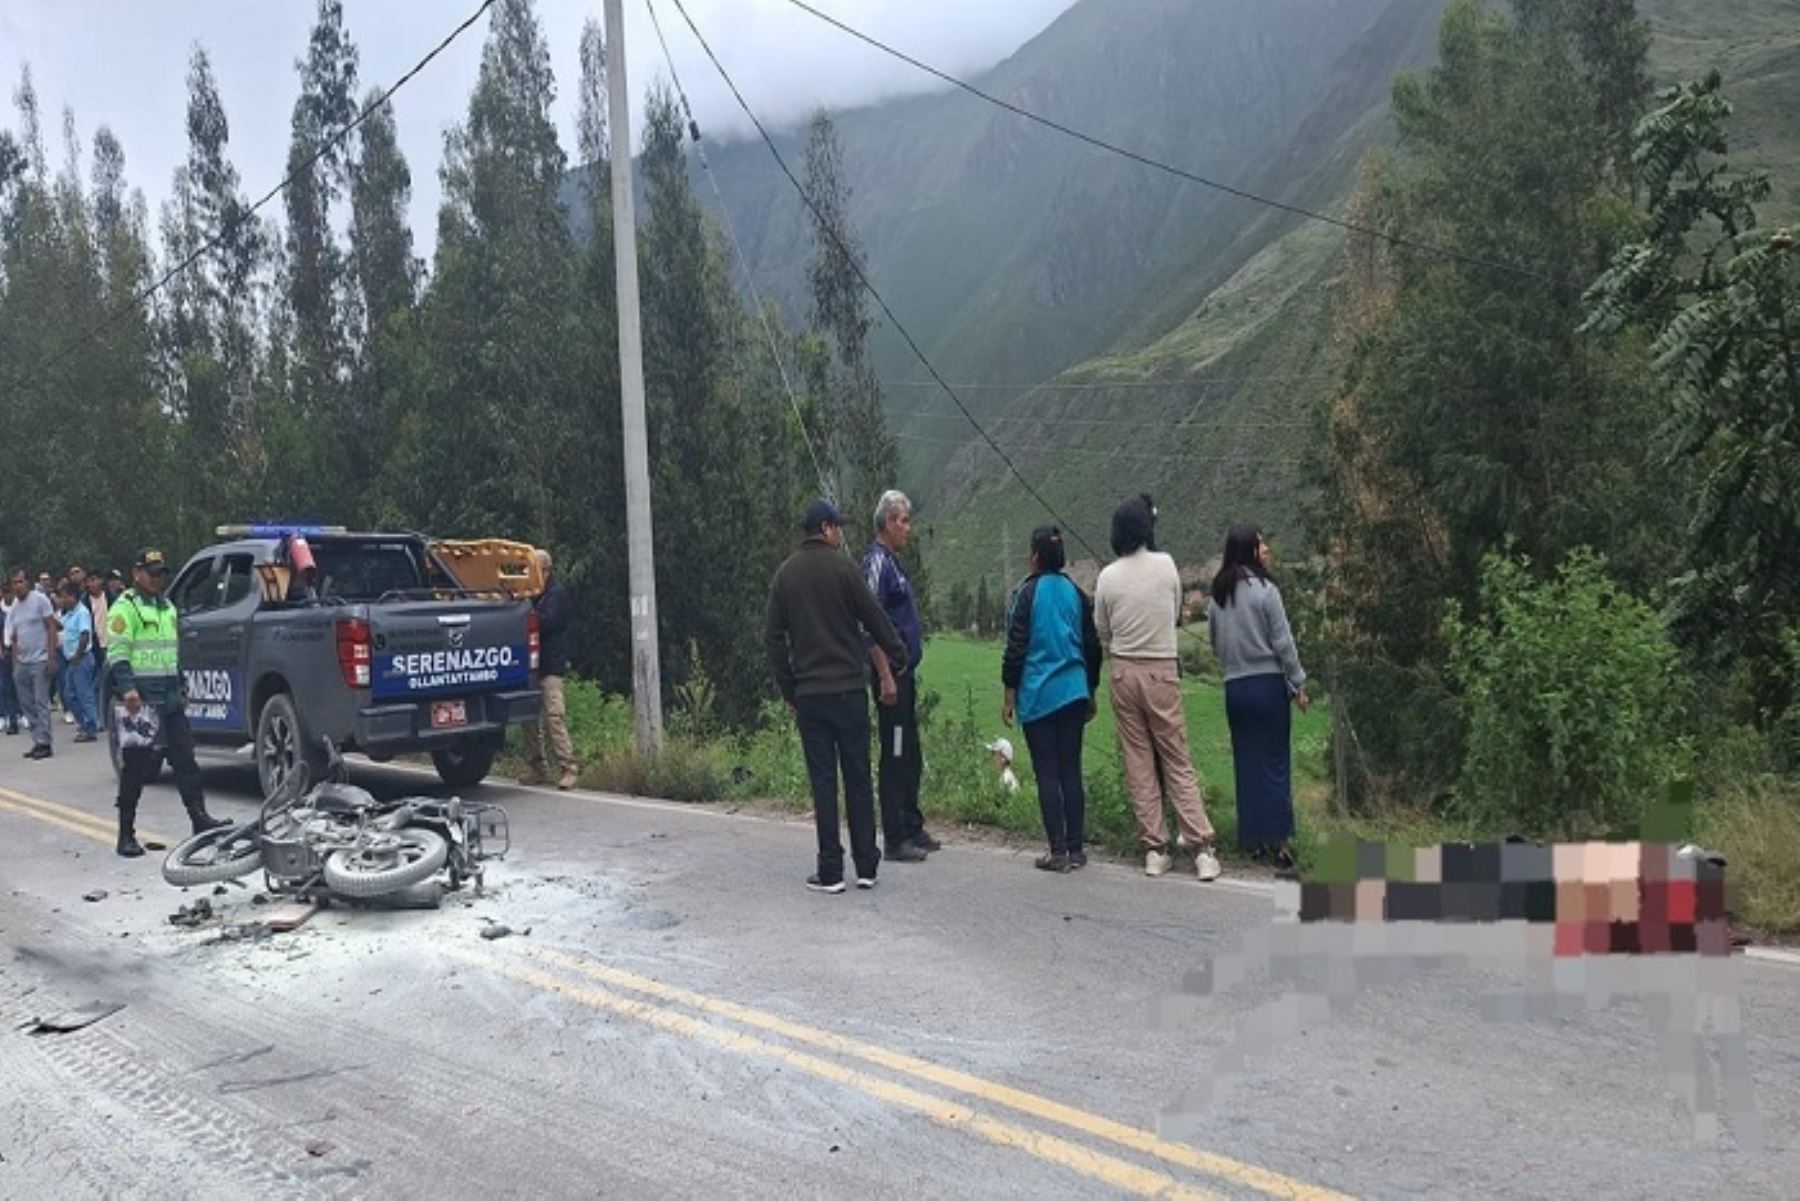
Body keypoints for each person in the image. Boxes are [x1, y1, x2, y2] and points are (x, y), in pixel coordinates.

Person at [766, 499, 907, 894]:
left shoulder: (785, 576)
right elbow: (874, 617)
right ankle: (866, 866)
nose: (841, 534)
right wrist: (898, 657)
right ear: (825, 528)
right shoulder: (844, 569)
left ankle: (830, 871)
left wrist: (789, 688)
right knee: (859, 779)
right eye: (838, 527)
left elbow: (772, 639)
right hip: (848, 692)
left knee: (823, 782)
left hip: (810, 696)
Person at [1095, 495, 1222, 882]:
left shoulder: (1107, 577)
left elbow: (1102, 630)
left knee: (1139, 762)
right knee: (1176, 758)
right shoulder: (1166, 566)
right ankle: (1201, 848)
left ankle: (1155, 849)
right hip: (1161, 671)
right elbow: (1176, 608)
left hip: (1122, 672)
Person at [107, 548, 228, 857]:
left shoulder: (167, 608)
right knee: (135, 768)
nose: (157, 578)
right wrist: (128, 688)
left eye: (161, 573)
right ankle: (125, 833)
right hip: (141, 700)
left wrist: (182, 687)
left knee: (186, 761)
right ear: (137, 573)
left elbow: (173, 654)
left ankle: (199, 819)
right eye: (152, 572)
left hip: (170, 698)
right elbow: (118, 652)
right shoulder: (125, 608)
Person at [1208, 523, 1309, 872]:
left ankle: (1253, 839)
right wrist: (1297, 683)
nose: (1265, 549)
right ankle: (1280, 844)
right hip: (1267, 686)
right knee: (1275, 764)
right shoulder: (1266, 590)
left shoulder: (1218, 597)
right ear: (1249, 551)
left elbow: (1215, 645)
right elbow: (1283, 643)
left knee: (1247, 764)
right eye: (1261, 544)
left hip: (1236, 689)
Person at [1001, 527, 1102, 873]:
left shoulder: (1026, 594)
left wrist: (1009, 692)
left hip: (1040, 694)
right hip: (1074, 691)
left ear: (1034, 556)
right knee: (1070, 769)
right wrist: (1091, 689)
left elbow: (1016, 646)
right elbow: (1092, 647)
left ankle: (1056, 852)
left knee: (1047, 772)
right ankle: (1076, 849)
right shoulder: (1076, 592)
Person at [861, 489, 936, 863]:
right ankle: (894, 837)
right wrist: (885, 674)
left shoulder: (894, 562)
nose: (908, 529)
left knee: (910, 751)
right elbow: (867, 621)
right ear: (888, 522)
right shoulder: (876, 563)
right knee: (894, 754)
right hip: (890, 678)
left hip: (905, 675)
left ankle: (911, 824)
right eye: (904, 521)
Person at [520, 547, 578, 790]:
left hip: (551, 666)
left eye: (535, 571)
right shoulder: (532, 595)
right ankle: (538, 767)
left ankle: (569, 767)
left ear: (545, 570)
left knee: (554, 717)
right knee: (529, 721)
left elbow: (546, 623)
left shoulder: (556, 595)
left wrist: (525, 612)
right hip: (532, 666)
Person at [6, 567, 58, 758]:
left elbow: (51, 626)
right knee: (26, 703)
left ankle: (46, 742)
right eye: (14, 583)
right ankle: (37, 739)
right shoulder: (14, 608)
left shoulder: (39, 600)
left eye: (21, 581)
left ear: (27, 582)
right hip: (22, 662)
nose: (18, 586)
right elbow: (14, 636)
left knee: (40, 701)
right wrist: (15, 664)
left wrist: (51, 657)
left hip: (40, 659)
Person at [54, 582, 99, 742]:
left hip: (82, 658)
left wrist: (77, 655)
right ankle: (83, 723)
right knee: (70, 694)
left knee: (83, 693)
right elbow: (60, 626)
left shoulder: (82, 613)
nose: (63, 600)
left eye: (64, 596)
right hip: (72, 660)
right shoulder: (69, 614)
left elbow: (85, 635)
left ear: (73, 596)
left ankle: (90, 726)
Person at [0, 584, 20, 735]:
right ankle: (10, 717)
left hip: (15, 651)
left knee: (16, 685)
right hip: (6, 652)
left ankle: (19, 715)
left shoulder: (16, 609)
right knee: (5, 687)